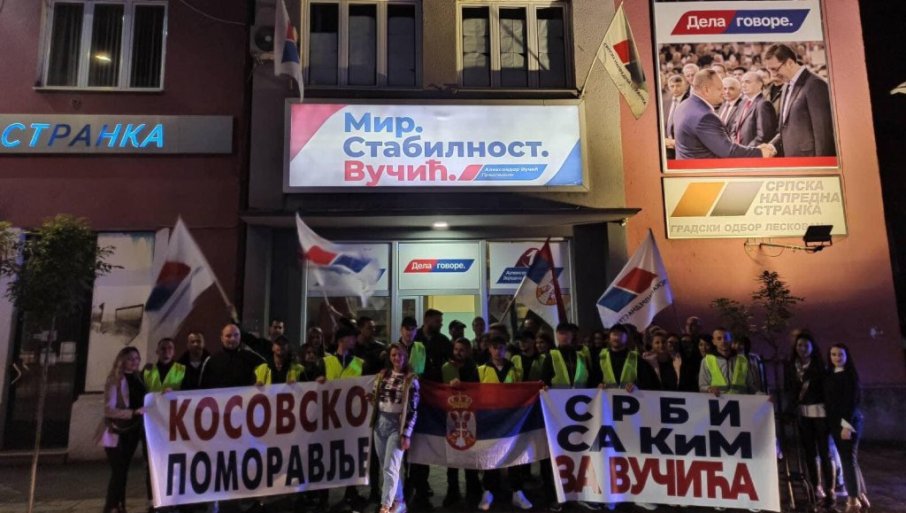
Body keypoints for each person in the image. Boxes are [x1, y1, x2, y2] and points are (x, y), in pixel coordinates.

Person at [315, 323, 369, 510]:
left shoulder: (360, 363)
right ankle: (323, 496)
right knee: (327, 457)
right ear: (342, 340)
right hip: (329, 419)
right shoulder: (324, 362)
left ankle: (350, 493)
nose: (355, 340)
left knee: (351, 455)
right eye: (352, 337)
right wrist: (317, 382)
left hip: (351, 419)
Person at [476, 336, 533, 511]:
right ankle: (489, 490)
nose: (498, 351)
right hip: (490, 420)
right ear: (489, 349)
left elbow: (523, 390)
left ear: (505, 349)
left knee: (514, 453)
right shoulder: (481, 370)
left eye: (501, 347)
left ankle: (517, 491)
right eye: (494, 347)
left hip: (511, 419)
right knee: (490, 454)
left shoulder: (515, 369)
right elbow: (475, 392)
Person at [673, 69, 771, 160]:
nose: (723, 93)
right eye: (720, 89)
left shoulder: (683, 105)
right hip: (704, 171)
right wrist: (760, 152)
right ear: (706, 90)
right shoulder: (705, 117)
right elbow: (728, 152)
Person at [784, 333, 834, 510]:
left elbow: (827, 390)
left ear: (812, 347)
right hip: (803, 415)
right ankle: (815, 488)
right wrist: (790, 410)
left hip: (821, 414)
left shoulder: (821, 366)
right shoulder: (791, 366)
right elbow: (790, 389)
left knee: (825, 453)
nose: (802, 349)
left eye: (806, 345)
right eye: (799, 345)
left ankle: (830, 491)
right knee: (810, 453)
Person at [371, 343, 420, 513]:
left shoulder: (411, 379)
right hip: (380, 423)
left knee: (390, 467)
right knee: (386, 465)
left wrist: (406, 433)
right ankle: (399, 501)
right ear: (389, 357)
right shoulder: (382, 375)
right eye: (393, 355)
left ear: (405, 357)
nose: (397, 358)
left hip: (397, 425)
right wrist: (371, 399)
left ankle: (385, 505)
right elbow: (376, 398)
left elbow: (413, 410)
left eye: (400, 355)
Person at [763, 43, 836, 158]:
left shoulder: (815, 84)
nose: (773, 75)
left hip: (811, 161)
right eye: (769, 70)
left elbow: (823, 134)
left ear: (790, 63)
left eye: (774, 69)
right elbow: (786, 127)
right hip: (793, 159)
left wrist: (821, 165)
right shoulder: (786, 86)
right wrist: (771, 146)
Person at [100, 346, 145, 513]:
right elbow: (108, 409)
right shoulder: (115, 379)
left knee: (124, 470)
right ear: (122, 360)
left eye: (137, 358)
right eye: (130, 358)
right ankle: (110, 506)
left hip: (132, 431)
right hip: (116, 432)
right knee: (119, 471)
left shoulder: (138, 378)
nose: (134, 361)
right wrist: (132, 412)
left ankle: (120, 506)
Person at [824, 344, 868, 513]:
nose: (837, 358)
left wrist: (846, 426)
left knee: (848, 460)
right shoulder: (830, 374)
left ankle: (853, 500)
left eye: (840, 354)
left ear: (846, 356)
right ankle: (860, 495)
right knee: (849, 460)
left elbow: (851, 402)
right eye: (833, 354)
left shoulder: (850, 376)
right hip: (835, 423)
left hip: (848, 423)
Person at [441, 338, 482, 508]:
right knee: (452, 456)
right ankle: (452, 491)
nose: (458, 353)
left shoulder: (474, 368)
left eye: (462, 350)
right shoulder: (446, 368)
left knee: (470, 453)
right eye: (456, 349)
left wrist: (462, 383)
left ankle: (473, 490)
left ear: (469, 351)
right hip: (451, 417)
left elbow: (477, 388)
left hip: (469, 416)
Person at [200, 324, 265, 389]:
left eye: (236, 335)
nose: (233, 339)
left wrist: (261, 380)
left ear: (240, 337)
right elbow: (203, 388)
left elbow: (265, 368)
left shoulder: (252, 357)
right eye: (228, 336)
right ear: (222, 338)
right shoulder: (211, 361)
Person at [699, 328, 760, 395]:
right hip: (718, 399)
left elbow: (751, 386)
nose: (723, 341)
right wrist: (709, 389)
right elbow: (702, 386)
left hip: (740, 400)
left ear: (731, 340)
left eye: (726, 338)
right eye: (719, 339)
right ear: (714, 342)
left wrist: (761, 395)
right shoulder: (706, 361)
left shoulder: (743, 360)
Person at [734, 71, 778, 146]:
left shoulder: (763, 104)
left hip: (751, 151)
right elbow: (734, 127)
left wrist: (746, 150)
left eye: (747, 82)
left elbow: (763, 135)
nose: (743, 85)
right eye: (742, 82)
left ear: (759, 84)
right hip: (737, 149)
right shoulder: (742, 103)